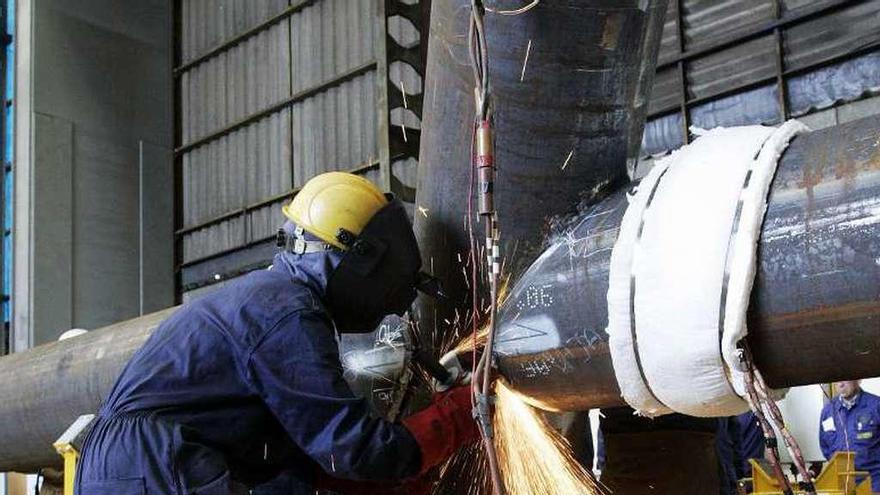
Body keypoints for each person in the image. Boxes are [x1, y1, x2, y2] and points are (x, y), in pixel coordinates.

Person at [74, 172, 478, 494]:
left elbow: (305, 462)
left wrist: (402, 480)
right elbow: (354, 449)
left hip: (130, 465)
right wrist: (470, 408)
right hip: (152, 464)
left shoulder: (269, 298)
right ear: (360, 259)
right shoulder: (286, 314)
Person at [819, 380, 880, 492]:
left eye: (845, 379)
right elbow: (825, 446)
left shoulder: (876, 406)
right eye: (837, 381)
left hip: (874, 483)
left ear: (858, 380)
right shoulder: (828, 411)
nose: (840, 384)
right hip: (841, 485)